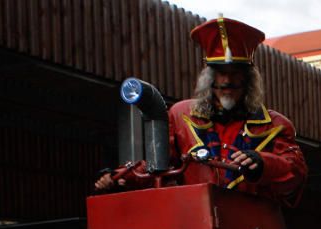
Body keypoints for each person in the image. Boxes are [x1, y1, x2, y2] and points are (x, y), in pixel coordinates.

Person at [94, 17, 307, 207]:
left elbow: (296, 172)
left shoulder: (275, 125)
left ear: (248, 80)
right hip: (196, 224)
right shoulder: (181, 115)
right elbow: (158, 166)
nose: (227, 81)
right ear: (209, 78)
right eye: (220, 73)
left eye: (235, 74)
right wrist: (121, 177)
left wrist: (263, 163)